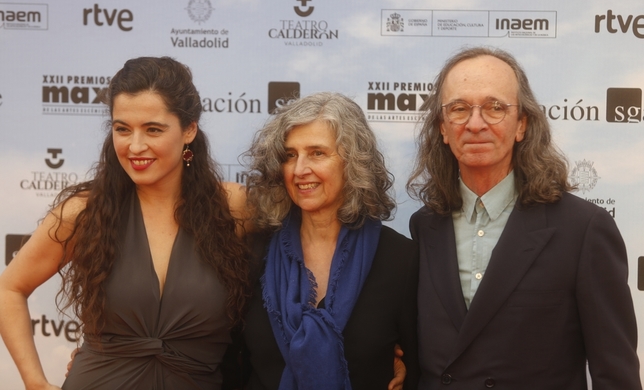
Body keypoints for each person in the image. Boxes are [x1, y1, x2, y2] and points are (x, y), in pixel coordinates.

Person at [0, 57, 249, 389]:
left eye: (153, 129)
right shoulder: (84, 212)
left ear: (189, 130)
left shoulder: (234, 206)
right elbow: (9, 289)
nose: (135, 146)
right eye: (122, 129)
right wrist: (34, 382)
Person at [406, 46, 641, 389]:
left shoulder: (584, 230)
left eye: (494, 107)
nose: (475, 123)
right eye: (459, 109)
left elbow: (616, 376)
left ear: (522, 125)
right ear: (443, 128)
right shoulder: (424, 226)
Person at [241, 92, 419, 390]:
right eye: (290, 155)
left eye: (317, 153)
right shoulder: (254, 252)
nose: (299, 170)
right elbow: (233, 363)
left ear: (353, 162)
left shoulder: (401, 259)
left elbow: (420, 366)